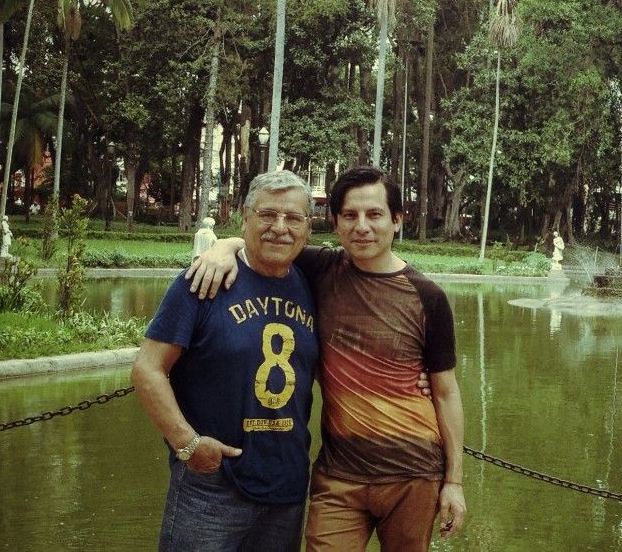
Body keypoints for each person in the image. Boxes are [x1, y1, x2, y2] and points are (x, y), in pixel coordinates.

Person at [189, 166, 466, 551]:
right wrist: (224, 246)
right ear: (335, 223)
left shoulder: (427, 297)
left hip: (413, 474)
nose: (362, 227)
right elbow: (270, 237)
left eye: (375, 215)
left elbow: (446, 392)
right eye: (350, 216)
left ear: (397, 220)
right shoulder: (321, 270)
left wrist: (454, 481)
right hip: (339, 475)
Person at [131, 171, 318, 552]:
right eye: (267, 215)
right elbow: (148, 368)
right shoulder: (202, 281)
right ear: (244, 217)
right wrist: (187, 443)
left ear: (308, 227)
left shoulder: (314, 282)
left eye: (293, 218)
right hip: (212, 485)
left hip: (287, 486)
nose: (279, 227)